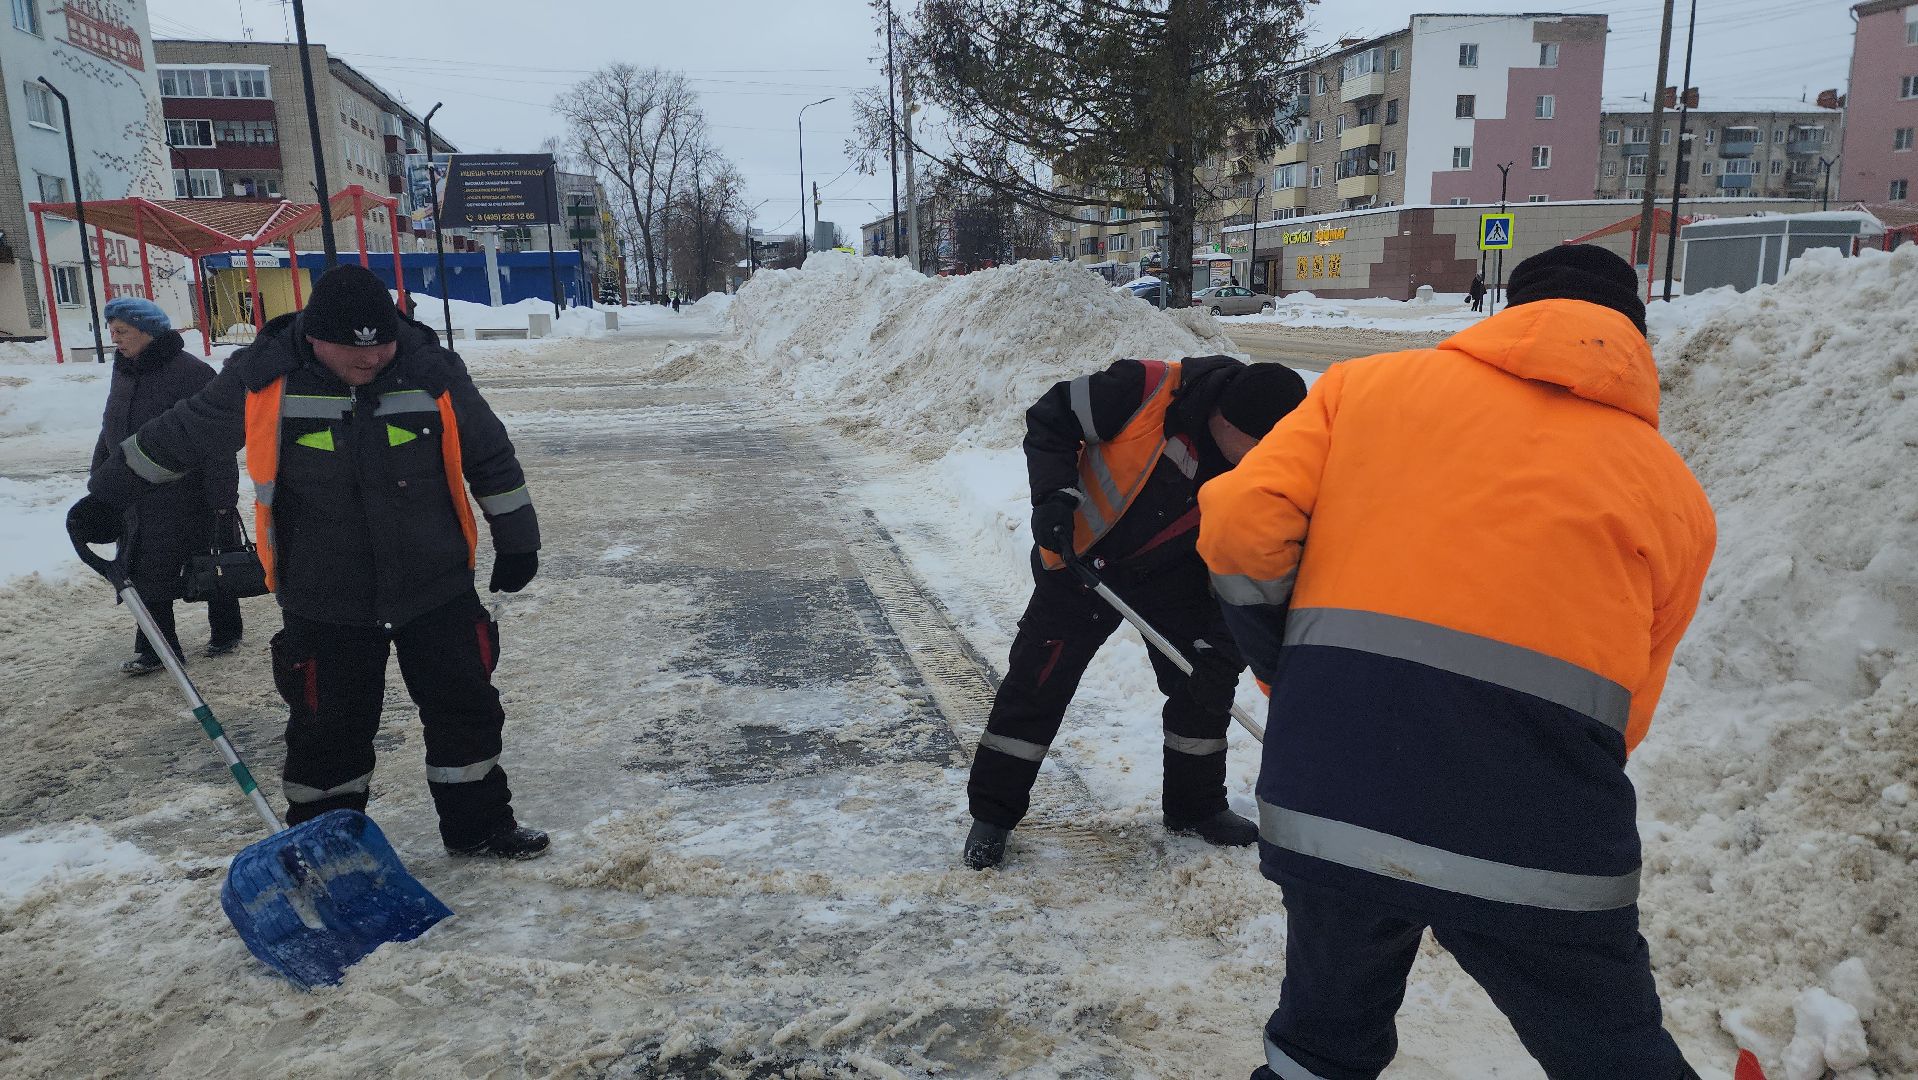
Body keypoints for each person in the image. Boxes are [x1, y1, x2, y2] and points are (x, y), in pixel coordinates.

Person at [1196, 245, 1716, 1080]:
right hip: (1536, 842)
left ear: (1512, 315)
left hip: (1339, 795)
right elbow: (1627, 704)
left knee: (1319, 1046)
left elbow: (1237, 526)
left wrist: (1288, 673)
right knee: (1613, 1053)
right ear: (1633, 339)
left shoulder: (1365, 389)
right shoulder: (1675, 495)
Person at [69, 266, 550, 860]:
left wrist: (518, 538)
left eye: (381, 342)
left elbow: (490, 453)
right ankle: (329, 851)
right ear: (316, 337)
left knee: (465, 710)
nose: (371, 358)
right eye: (354, 346)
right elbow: (180, 436)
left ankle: (480, 827)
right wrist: (107, 495)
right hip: (324, 593)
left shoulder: (432, 370)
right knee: (328, 733)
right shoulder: (266, 376)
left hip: (437, 582)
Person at [963, 356, 1309, 870]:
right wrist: (1053, 497)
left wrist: (1222, 644)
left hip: (1175, 577)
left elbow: (1253, 565)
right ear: (1225, 419)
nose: (1259, 461)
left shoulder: (1273, 468)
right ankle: (992, 815)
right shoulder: (1142, 389)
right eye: (1256, 447)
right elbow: (1051, 416)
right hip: (1083, 560)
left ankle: (1195, 808)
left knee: (1203, 681)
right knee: (1039, 680)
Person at [89, 297, 243, 675]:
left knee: (212, 563)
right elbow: (111, 425)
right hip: (137, 492)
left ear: (148, 331)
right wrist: (102, 474)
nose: (115, 338)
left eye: (122, 331)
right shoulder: (125, 370)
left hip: (187, 493)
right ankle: (158, 649)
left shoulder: (191, 372)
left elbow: (216, 435)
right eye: (112, 331)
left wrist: (222, 497)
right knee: (141, 571)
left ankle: (226, 630)